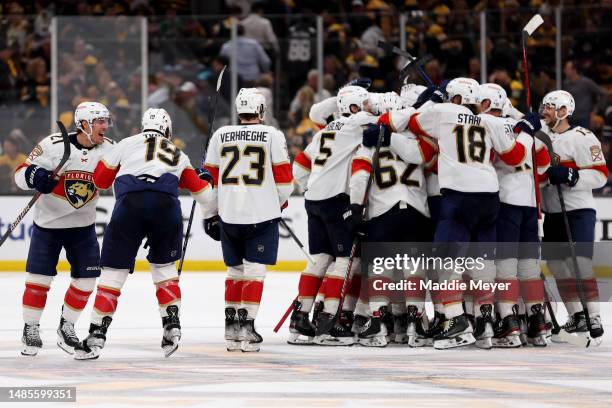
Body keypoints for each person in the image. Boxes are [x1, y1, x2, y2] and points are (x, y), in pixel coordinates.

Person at [395, 77, 538, 349]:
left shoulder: (445, 112)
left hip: (458, 197)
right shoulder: (491, 121)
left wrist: (432, 100)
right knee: (482, 262)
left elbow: (412, 122)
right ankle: (486, 321)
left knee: (447, 262)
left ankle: (455, 320)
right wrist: (527, 131)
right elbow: (516, 156)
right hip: (489, 197)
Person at [73, 108, 215, 360]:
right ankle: (172, 326)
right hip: (166, 209)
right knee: (165, 271)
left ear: (143, 126)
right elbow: (203, 194)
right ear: (167, 130)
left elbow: (101, 181)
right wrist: (207, 190)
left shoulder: (126, 144)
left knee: (113, 275)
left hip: (129, 207)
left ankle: (96, 334)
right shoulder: (177, 152)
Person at [14, 102, 115, 356]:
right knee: (39, 280)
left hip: (83, 227)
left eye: (106, 120)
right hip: (48, 226)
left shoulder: (111, 149)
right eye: (99, 121)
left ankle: (66, 326)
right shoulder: (53, 145)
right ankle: (31, 327)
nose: (105, 125)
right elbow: (20, 173)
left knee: (87, 280)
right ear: (83, 124)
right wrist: (35, 177)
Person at [203, 88, 293, 352]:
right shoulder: (272, 135)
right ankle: (247, 327)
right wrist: (274, 202)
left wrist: (211, 213)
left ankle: (231, 330)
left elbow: (207, 182)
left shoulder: (220, 134)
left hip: (229, 215)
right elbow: (286, 182)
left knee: (234, 272)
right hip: (261, 217)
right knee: (254, 272)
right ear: (261, 110)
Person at [291, 86, 377, 346]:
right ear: (353, 108)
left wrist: (311, 186)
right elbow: (385, 119)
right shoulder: (355, 124)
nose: (367, 110)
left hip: (313, 198)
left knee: (318, 259)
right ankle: (328, 323)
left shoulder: (322, 133)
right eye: (362, 105)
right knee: (342, 262)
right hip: (337, 200)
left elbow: (299, 166)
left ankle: (300, 318)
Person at [481, 83, 551, 348]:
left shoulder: (492, 127)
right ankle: (537, 323)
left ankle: (509, 323)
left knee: (506, 266)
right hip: (531, 204)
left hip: (506, 202)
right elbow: (543, 166)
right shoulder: (528, 130)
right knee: (530, 267)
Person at [540, 90, 607, 343]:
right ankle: (576, 315)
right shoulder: (540, 137)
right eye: (543, 106)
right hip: (553, 212)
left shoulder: (582, 137)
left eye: (549, 107)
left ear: (563, 111)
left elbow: (600, 174)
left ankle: (594, 315)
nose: (544, 111)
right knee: (558, 266)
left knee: (580, 263)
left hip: (578, 210)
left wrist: (572, 176)